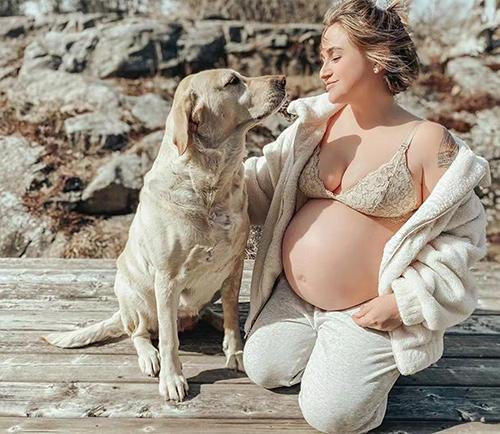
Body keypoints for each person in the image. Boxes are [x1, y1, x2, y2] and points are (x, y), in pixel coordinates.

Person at [241, 0, 491, 433]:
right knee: (265, 367)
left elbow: (464, 238)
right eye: (322, 58)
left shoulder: (427, 140)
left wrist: (403, 303)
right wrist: (204, 184)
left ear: (377, 57)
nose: (324, 71)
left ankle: (374, 366)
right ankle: (329, 351)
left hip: (368, 308)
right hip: (295, 297)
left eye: (335, 56)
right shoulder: (314, 125)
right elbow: (262, 184)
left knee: (333, 417)